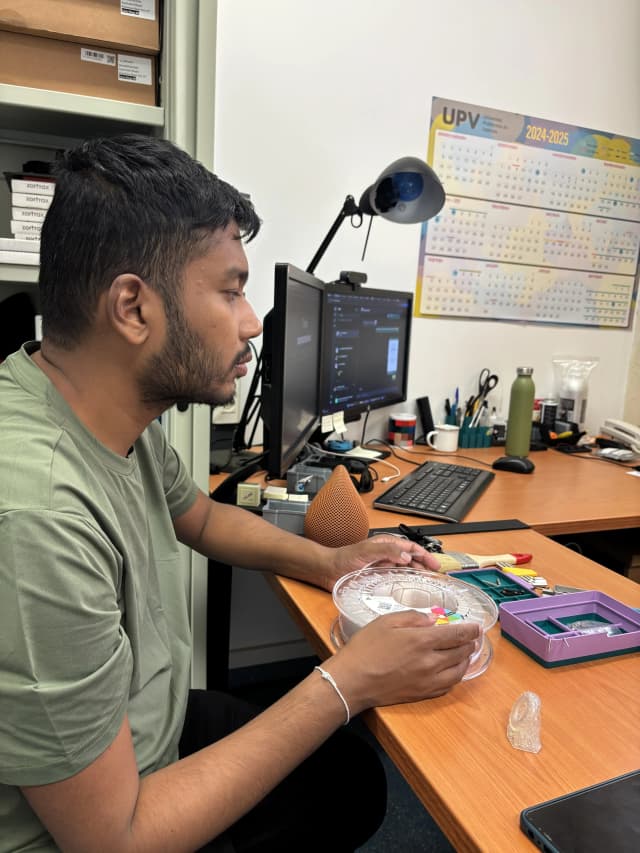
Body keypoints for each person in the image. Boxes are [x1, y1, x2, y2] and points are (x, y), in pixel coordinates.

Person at [0, 134, 480, 853]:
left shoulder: (95, 399)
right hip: (103, 825)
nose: (253, 321)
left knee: (351, 778)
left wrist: (335, 561)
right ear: (133, 308)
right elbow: (116, 839)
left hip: (147, 729)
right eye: (230, 289)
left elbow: (198, 514)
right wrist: (347, 681)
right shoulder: (37, 514)